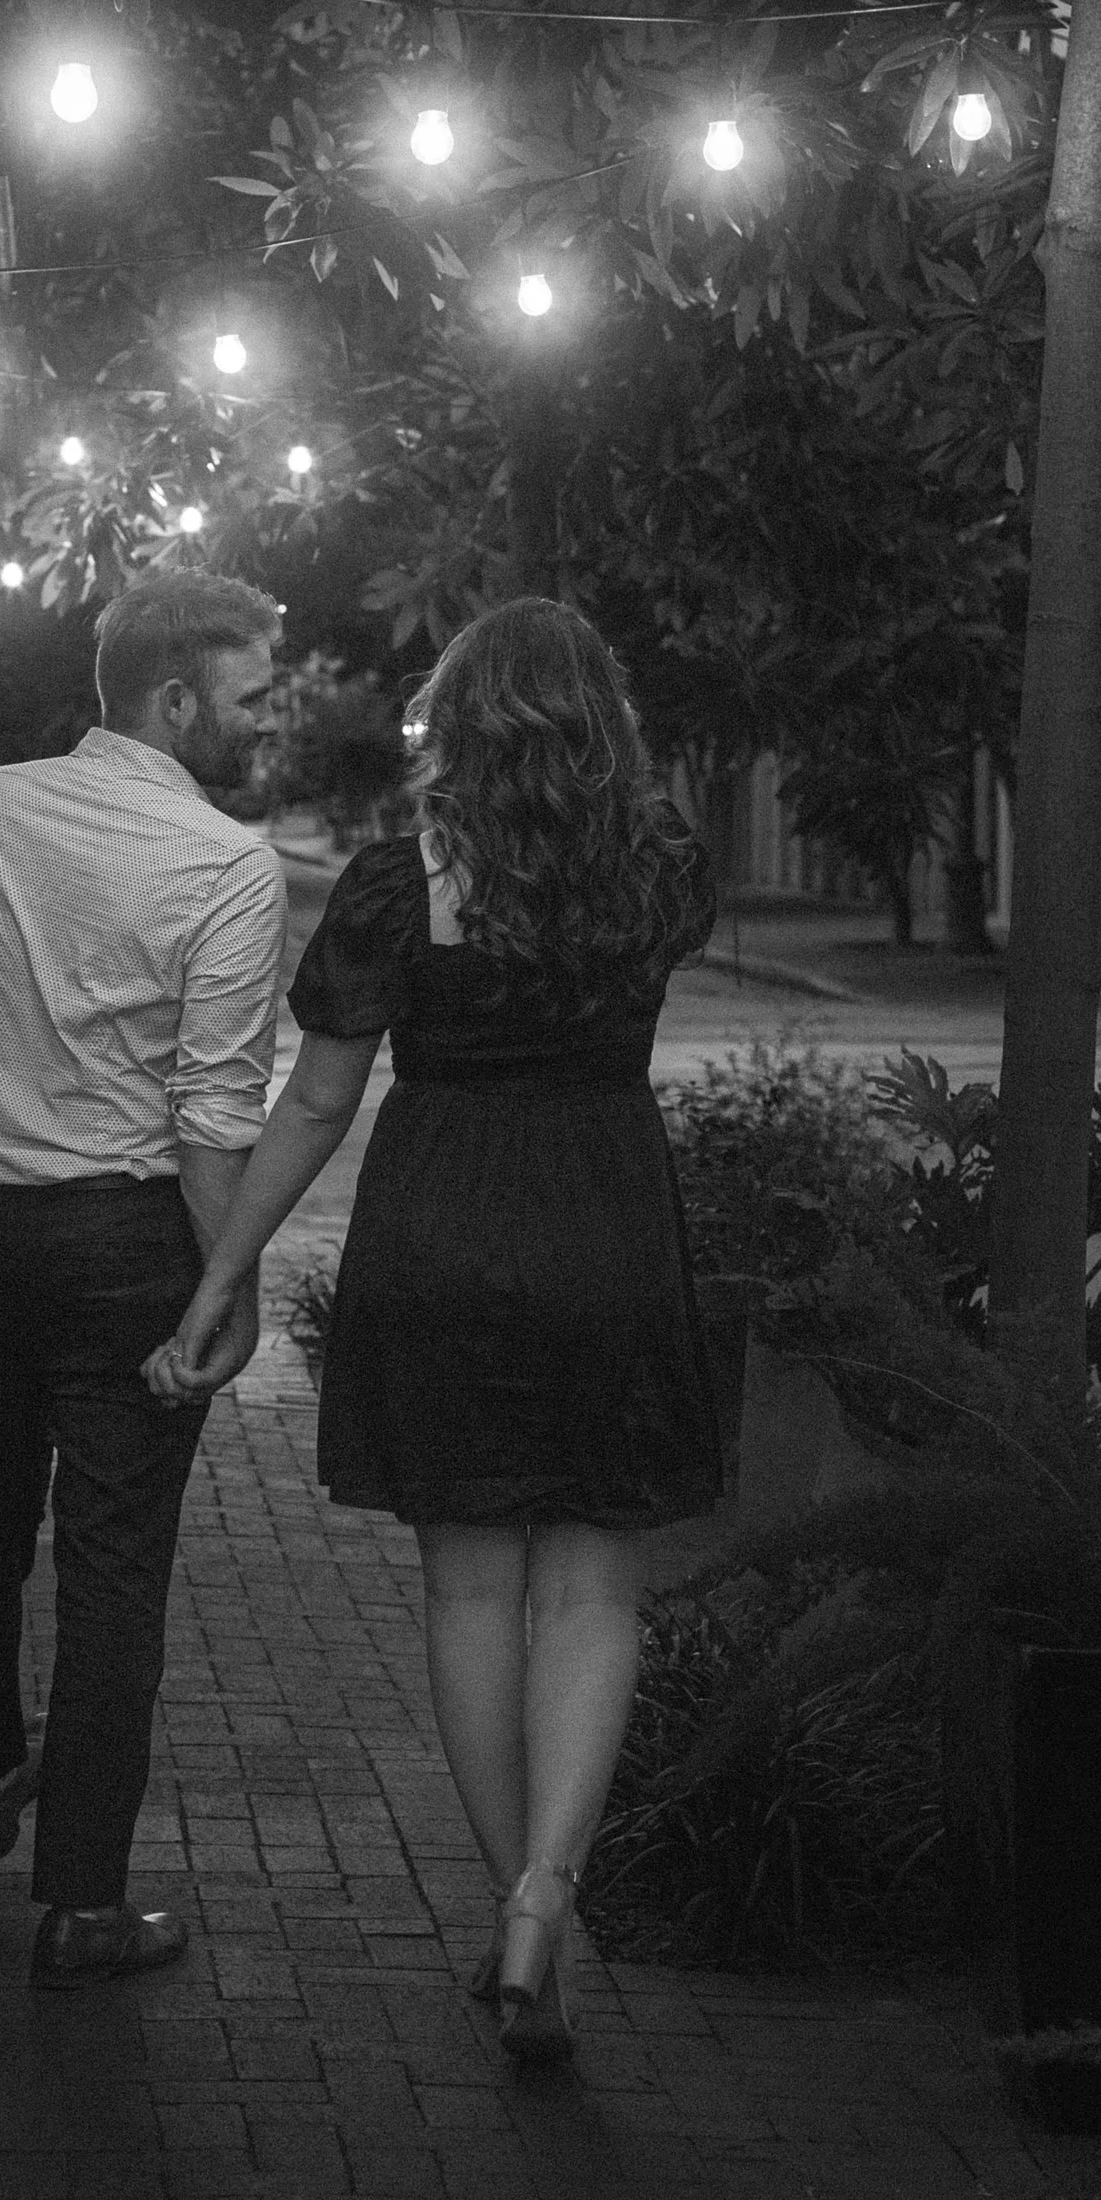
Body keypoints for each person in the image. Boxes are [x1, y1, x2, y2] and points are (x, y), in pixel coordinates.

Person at [146, 597, 722, 2066]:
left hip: (443, 1223)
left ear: (453, 731)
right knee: (594, 1593)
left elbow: (320, 1101)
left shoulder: (399, 888)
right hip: (605, 1218)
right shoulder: (663, 874)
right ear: (604, 728)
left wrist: (224, 1270)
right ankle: (548, 1890)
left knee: (472, 1594)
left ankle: (519, 1912)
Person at [0, 568, 287, 1989]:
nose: (267, 724)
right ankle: (79, 1900)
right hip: (123, 1236)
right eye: (251, 697)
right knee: (116, 1568)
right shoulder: (224, 865)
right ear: (175, 697)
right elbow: (211, 1119)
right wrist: (229, 1285)